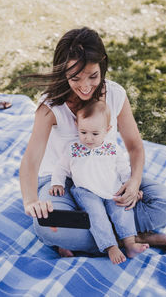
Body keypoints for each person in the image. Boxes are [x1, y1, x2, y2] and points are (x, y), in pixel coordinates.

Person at [19, 26, 166, 259]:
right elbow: (31, 159)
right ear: (63, 72)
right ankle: (132, 237)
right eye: (75, 78)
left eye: (93, 76)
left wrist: (133, 183)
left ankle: (100, 238)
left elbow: (134, 145)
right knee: (48, 226)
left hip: (107, 176)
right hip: (61, 182)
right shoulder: (50, 106)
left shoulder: (115, 95)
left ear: (102, 65)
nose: (85, 86)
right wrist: (31, 200)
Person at [49, 100, 149, 264]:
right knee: (97, 215)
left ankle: (130, 243)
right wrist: (57, 183)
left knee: (122, 211)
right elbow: (61, 168)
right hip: (86, 191)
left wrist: (131, 185)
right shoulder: (73, 148)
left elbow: (123, 169)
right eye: (83, 132)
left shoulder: (112, 148)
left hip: (112, 190)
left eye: (95, 134)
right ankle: (110, 246)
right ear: (77, 125)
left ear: (107, 130)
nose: (88, 138)